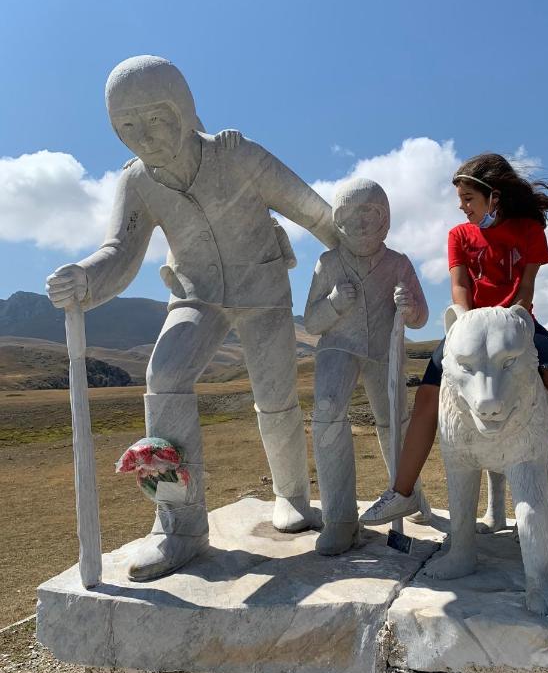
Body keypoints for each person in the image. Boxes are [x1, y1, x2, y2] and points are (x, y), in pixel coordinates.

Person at [46, 55, 339, 582]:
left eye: (155, 118)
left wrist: (355, 261)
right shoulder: (137, 182)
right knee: (164, 377)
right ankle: (178, 525)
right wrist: (86, 279)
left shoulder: (236, 153)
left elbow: (310, 209)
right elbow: (120, 251)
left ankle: (292, 496)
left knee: (275, 397)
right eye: (127, 127)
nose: (144, 136)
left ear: (182, 108)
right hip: (196, 295)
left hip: (263, 287)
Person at [360, 152, 548, 528]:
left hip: (518, 323)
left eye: (469, 199)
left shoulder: (529, 230)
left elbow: (527, 286)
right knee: (426, 397)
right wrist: (467, 323)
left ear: (494, 196)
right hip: (470, 325)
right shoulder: (459, 235)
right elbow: (459, 283)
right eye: (460, 202)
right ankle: (402, 492)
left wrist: (513, 322)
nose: (463, 209)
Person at [305, 178, 430, 555]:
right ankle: (340, 520)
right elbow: (312, 322)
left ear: (385, 219)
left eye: (371, 214)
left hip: (383, 350)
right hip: (338, 348)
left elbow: (421, 317)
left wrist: (409, 307)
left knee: (394, 419)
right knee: (327, 410)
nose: (361, 225)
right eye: (351, 215)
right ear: (338, 219)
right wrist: (333, 304)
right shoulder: (328, 263)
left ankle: (410, 492)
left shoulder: (398, 264)